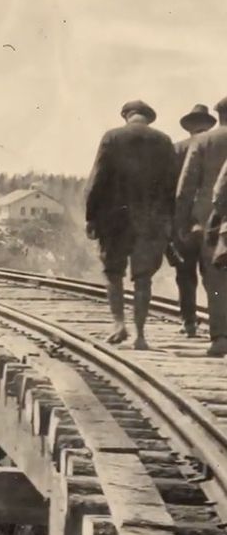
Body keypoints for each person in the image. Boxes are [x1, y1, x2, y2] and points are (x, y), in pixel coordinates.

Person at [85, 100, 177, 350]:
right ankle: (140, 335)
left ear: (126, 116)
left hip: (115, 220)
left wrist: (91, 216)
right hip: (151, 221)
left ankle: (118, 324)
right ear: (149, 118)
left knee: (113, 273)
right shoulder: (164, 141)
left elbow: (97, 179)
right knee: (143, 277)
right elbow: (173, 185)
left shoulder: (112, 137)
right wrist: (170, 220)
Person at [176, 96, 227, 356]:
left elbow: (186, 187)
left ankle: (220, 337)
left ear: (219, 115)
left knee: (216, 277)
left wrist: (181, 222)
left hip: (212, 218)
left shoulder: (203, 141)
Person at [168, 104, 218, 336]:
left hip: (186, 219)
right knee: (214, 274)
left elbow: (172, 187)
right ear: (209, 124)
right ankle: (217, 324)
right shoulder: (216, 144)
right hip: (213, 218)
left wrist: (174, 222)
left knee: (185, 272)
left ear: (188, 127)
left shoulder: (177, 149)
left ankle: (188, 322)